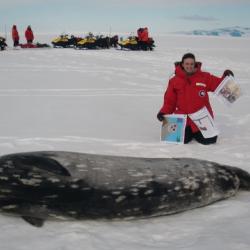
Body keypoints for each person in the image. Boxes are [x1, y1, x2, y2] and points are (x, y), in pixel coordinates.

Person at [157, 53, 234, 145]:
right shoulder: (174, 80)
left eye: (191, 64)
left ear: (195, 64)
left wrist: (226, 79)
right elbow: (170, 100)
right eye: (187, 64)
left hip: (201, 118)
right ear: (182, 64)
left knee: (210, 141)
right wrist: (163, 112)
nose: (189, 66)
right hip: (183, 118)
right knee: (176, 140)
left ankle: (198, 132)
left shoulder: (204, 77)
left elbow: (219, 85)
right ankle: (189, 131)